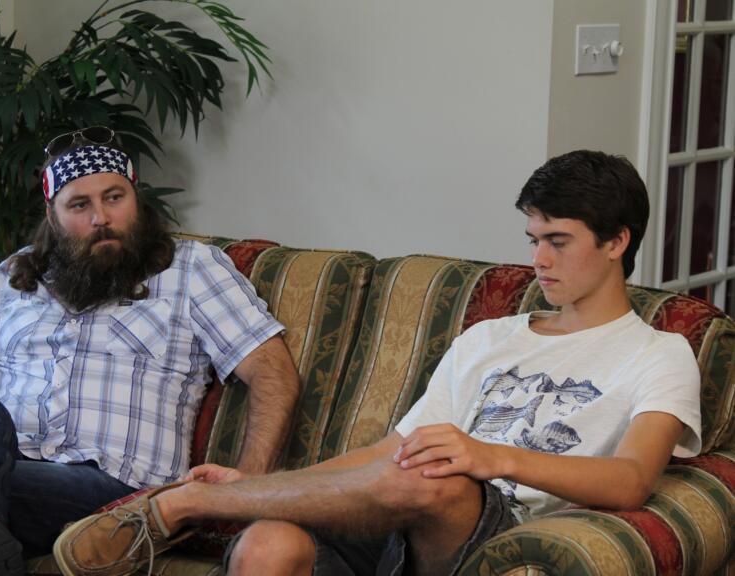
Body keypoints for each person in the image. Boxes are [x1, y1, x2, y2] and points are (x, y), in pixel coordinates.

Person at [52, 150, 702, 576]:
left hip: (496, 532)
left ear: (617, 242)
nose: (539, 261)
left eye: (559, 242)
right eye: (534, 241)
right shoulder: (492, 337)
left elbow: (630, 480)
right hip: (399, 522)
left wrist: (492, 456)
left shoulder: (659, 352)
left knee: (438, 477)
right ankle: (218, 500)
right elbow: (392, 449)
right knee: (269, 543)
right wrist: (259, 489)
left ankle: (181, 505)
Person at [0, 126, 301, 576]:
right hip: (10, 470)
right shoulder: (12, 279)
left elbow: (272, 370)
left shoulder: (190, 270)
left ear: (137, 200)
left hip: (115, 499)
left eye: (115, 197)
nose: (101, 218)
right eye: (79, 205)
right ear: (52, 217)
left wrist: (246, 489)